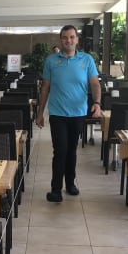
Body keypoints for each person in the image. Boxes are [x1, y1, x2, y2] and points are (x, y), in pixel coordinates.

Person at [36, 25, 101, 202]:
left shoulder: (86, 60)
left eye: (72, 37)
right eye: (65, 37)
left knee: (71, 150)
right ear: (61, 40)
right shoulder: (51, 61)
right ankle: (56, 189)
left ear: (77, 39)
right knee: (60, 150)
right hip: (57, 114)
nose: (68, 40)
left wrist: (97, 103)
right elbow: (45, 88)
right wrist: (40, 113)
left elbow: (95, 84)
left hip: (78, 113)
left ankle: (70, 183)